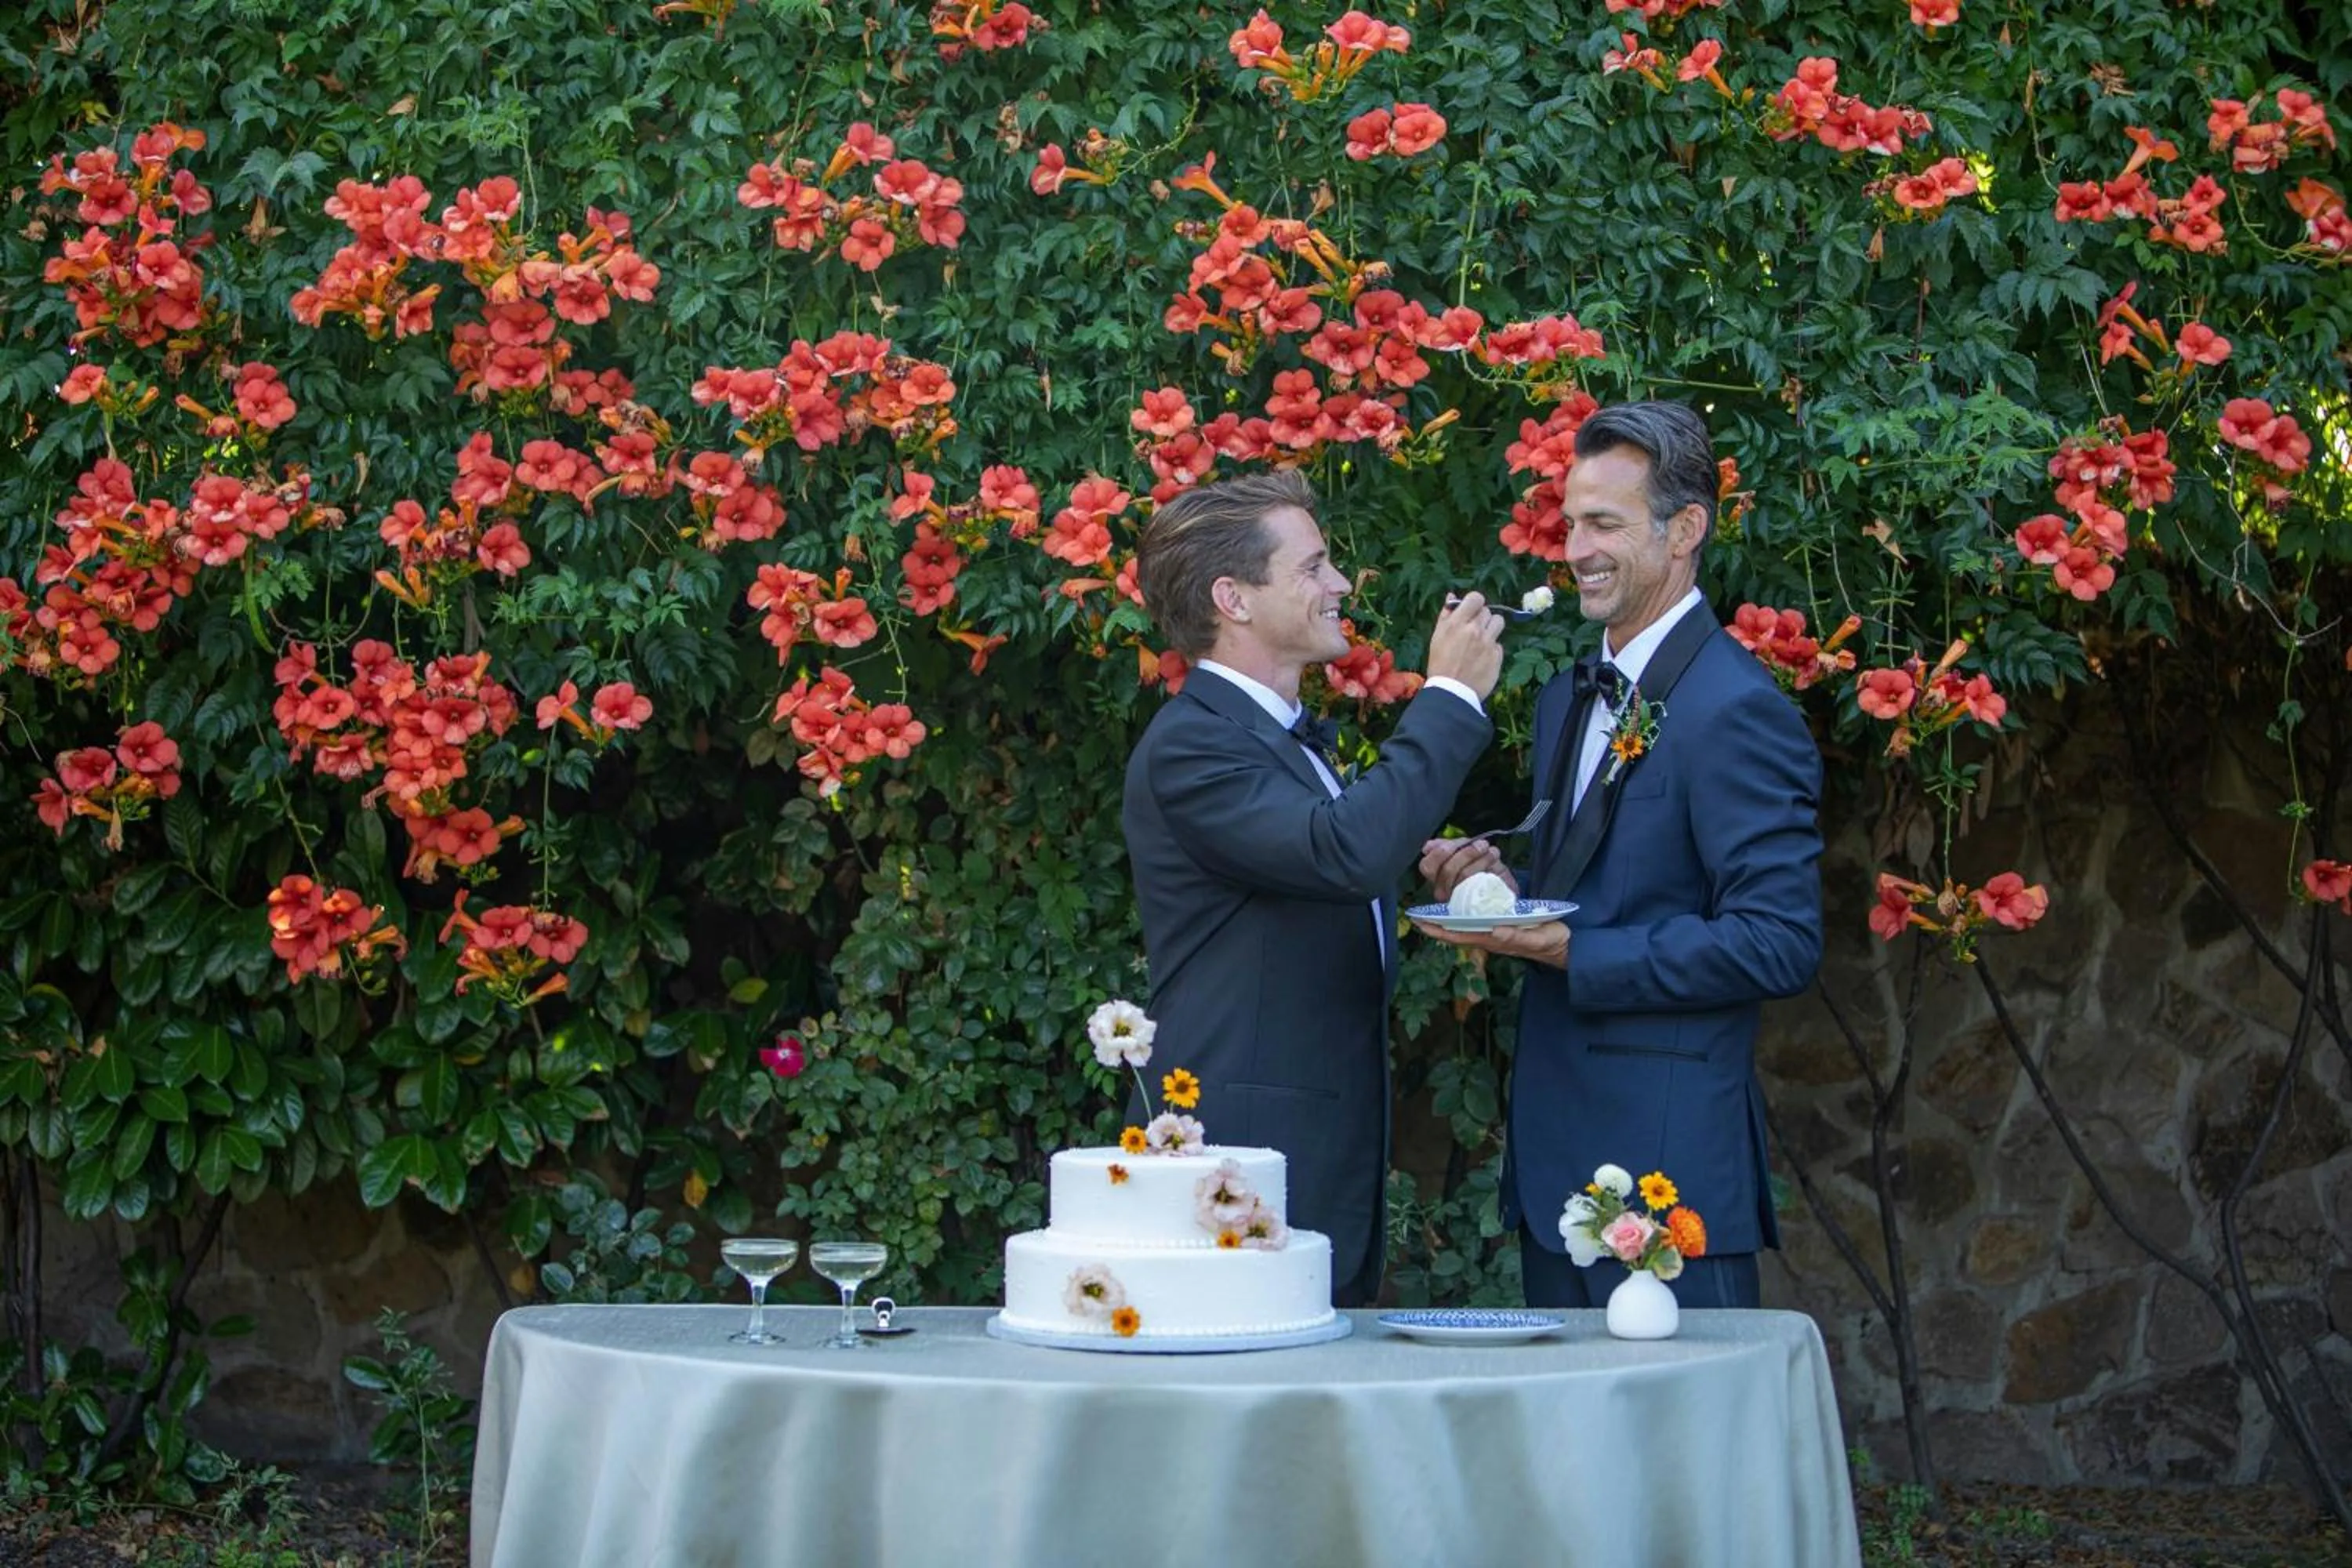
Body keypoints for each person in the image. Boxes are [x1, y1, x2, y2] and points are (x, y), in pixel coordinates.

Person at [1414, 401, 1823, 1311]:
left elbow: (1779, 940)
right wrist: (1500, 888)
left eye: (1605, 523)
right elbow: (1596, 887)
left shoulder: (1735, 707)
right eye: (1570, 522)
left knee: (1684, 1456)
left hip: (1670, 1184)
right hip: (1557, 1160)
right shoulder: (1567, 693)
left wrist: (1571, 947)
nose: (1575, 549)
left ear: (1686, 531)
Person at [1123, 470, 1504, 1307]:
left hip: (1320, 1141)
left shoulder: (1276, 738)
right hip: (1247, 1152)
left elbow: (1326, 869)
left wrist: (1424, 863)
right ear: (1234, 597)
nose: (1339, 585)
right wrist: (1446, 697)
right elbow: (1341, 853)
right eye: (1313, 567)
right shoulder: (1192, 744)